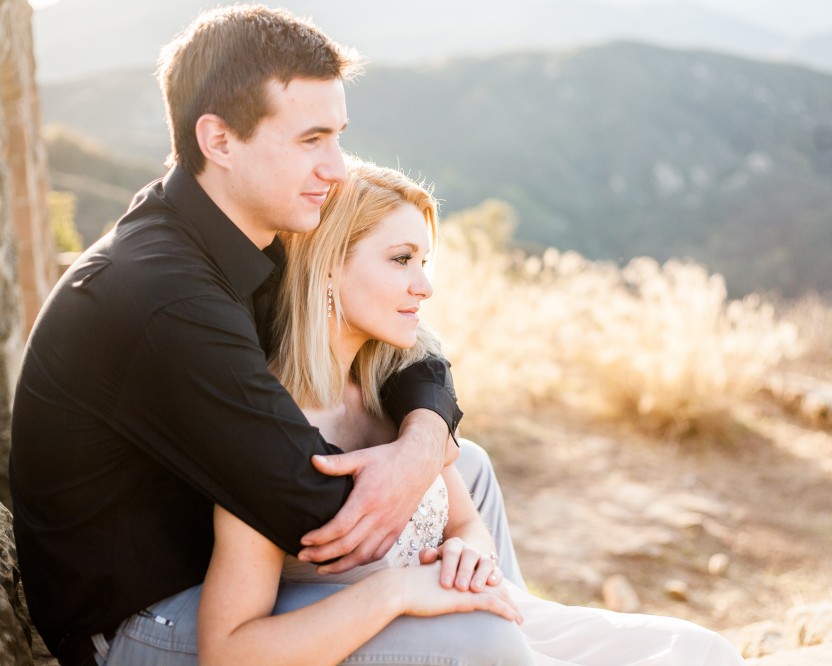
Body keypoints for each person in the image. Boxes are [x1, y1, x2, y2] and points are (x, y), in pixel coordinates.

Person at [9, 5, 524, 665]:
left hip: (221, 553)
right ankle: (488, 638)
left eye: (338, 136)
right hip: (147, 619)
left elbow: (414, 348)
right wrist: (411, 574)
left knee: (466, 469)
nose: (338, 168)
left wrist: (424, 442)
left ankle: (510, 627)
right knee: (462, 618)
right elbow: (320, 514)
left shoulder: (248, 229)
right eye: (311, 140)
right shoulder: (164, 298)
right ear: (219, 140)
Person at [198, 157, 745, 664]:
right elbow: (229, 650)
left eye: (425, 261)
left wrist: (469, 553)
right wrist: (398, 590)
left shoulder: (392, 394)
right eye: (401, 260)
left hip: (487, 622)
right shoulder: (272, 425)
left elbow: (464, 522)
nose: (425, 285)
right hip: (407, 644)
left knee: (699, 649)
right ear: (329, 270)